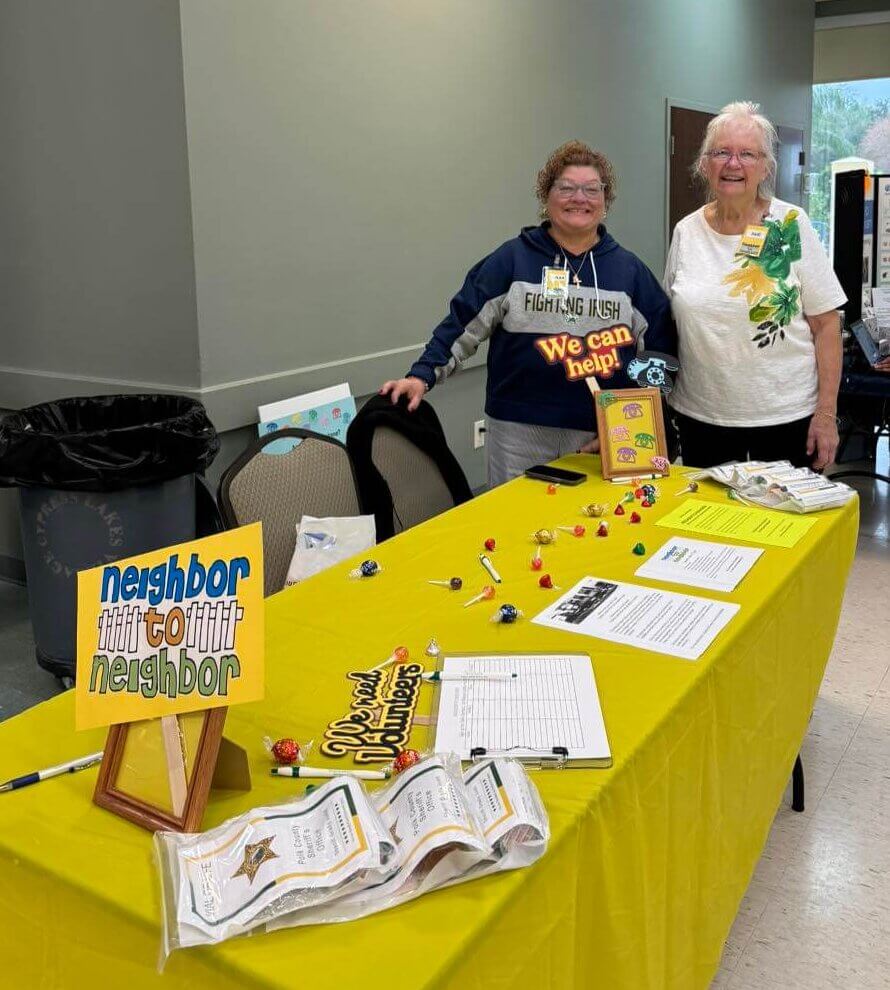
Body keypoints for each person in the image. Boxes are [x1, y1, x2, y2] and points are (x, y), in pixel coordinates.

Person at [379, 141, 675, 487]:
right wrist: (422, 375)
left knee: (595, 528)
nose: (579, 198)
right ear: (545, 197)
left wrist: (632, 424)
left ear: (605, 202)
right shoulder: (512, 261)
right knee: (514, 528)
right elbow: (462, 324)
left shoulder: (630, 272)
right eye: (566, 188)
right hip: (516, 431)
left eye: (591, 189)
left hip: (599, 431)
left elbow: (660, 350)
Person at [664, 102, 846, 471]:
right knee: (706, 525)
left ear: (765, 166)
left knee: (781, 526)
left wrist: (826, 415)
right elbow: (672, 318)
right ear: (704, 164)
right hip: (701, 418)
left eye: (748, 154)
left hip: (785, 418)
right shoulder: (687, 231)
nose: (734, 164)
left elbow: (827, 325)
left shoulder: (789, 224)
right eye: (722, 153)